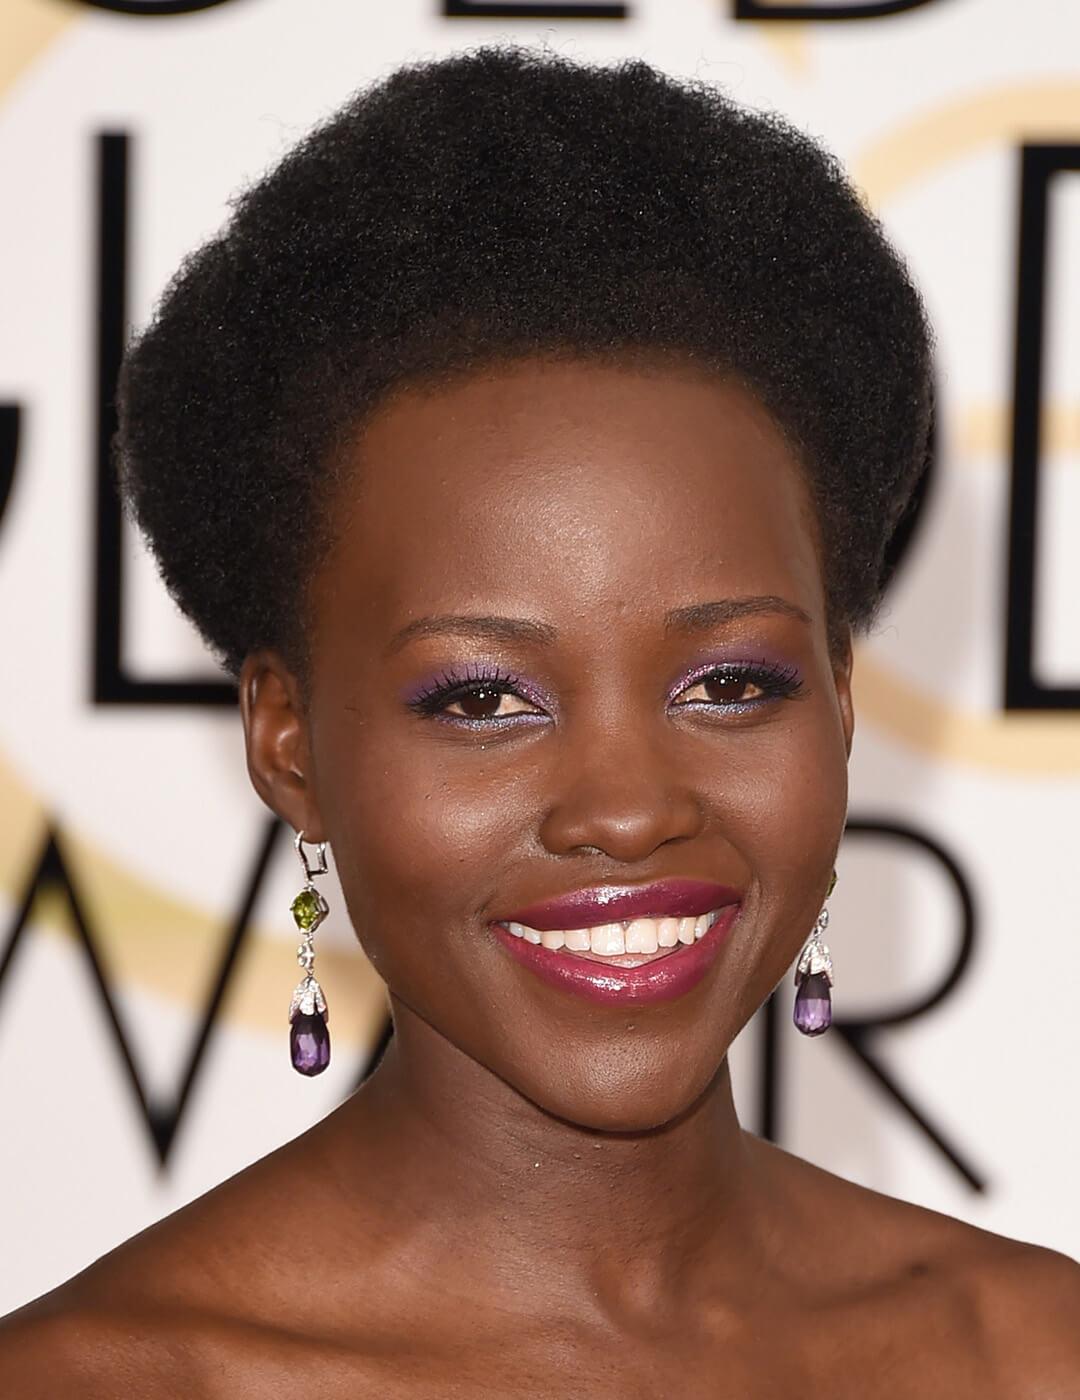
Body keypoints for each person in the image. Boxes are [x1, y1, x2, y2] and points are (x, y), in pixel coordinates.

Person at [2, 45, 1078, 1398]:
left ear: (842, 700)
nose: (627, 808)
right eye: (482, 699)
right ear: (288, 742)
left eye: (731, 683)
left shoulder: (1032, 1353)